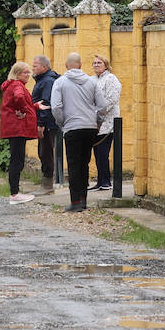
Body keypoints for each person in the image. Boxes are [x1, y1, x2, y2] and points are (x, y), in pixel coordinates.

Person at [49, 52, 101, 212]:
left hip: (72, 127)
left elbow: (56, 107)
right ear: (80, 65)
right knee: (84, 163)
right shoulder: (92, 83)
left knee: (73, 164)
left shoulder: (60, 83)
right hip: (90, 127)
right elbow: (103, 105)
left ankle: (75, 201)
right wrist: (97, 122)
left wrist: (62, 122)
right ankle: (84, 199)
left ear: (66, 66)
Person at [0, 62, 37, 205]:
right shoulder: (17, 86)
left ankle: (15, 192)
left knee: (17, 159)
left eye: (29, 72)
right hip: (17, 128)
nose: (29, 75)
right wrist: (23, 110)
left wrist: (35, 106)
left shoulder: (12, 84)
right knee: (17, 160)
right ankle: (14, 194)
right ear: (17, 73)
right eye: (25, 73)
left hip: (13, 128)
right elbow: (19, 98)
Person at [91, 54, 122, 192]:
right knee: (97, 153)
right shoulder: (91, 80)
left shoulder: (111, 79)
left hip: (107, 123)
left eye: (99, 62)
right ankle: (100, 181)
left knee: (103, 153)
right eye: (94, 63)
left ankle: (106, 181)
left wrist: (99, 111)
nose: (96, 65)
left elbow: (111, 99)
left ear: (105, 65)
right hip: (94, 122)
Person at [30, 55, 60, 195]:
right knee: (43, 151)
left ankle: (47, 186)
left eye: (35, 66)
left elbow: (46, 104)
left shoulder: (47, 81)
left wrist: (41, 124)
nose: (32, 68)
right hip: (45, 122)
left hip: (47, 123)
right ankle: (46, 184)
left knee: (46, 152)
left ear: (44, 67)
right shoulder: (43, 80)